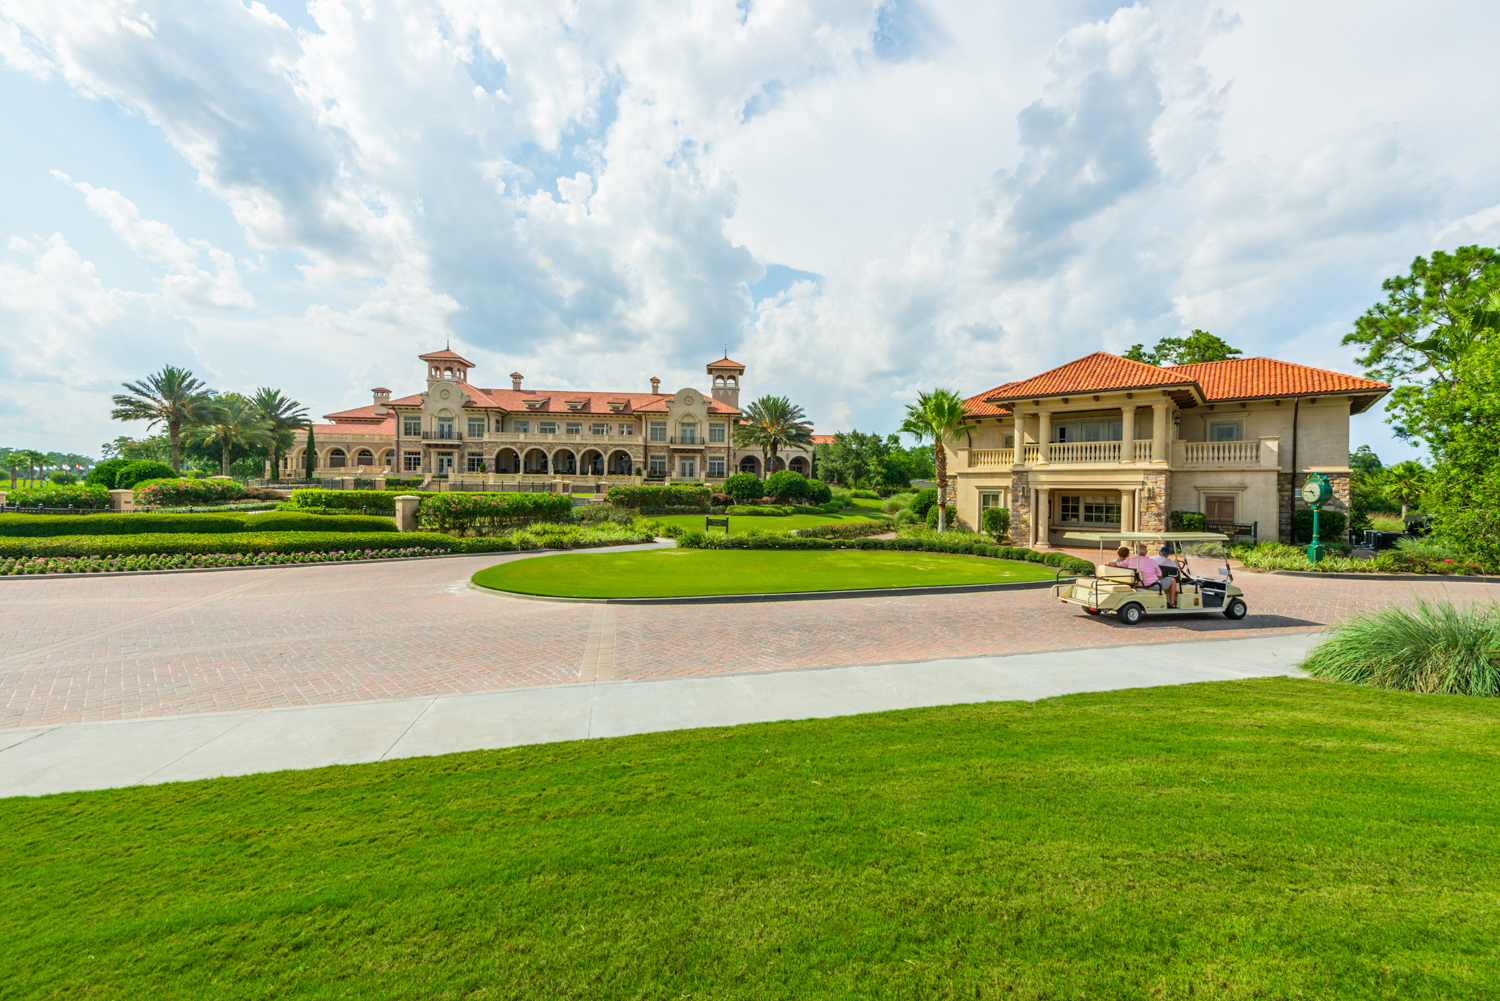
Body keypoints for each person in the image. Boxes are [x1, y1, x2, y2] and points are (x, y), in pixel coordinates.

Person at [1109, 543, 1179, 607]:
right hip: (1152, 586)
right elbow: (1160, 576)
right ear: (1146, 552)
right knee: (1172, 580)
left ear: (1136, 552)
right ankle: (1172, 602)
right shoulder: (1152, 561)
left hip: (1137, 584)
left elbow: (1115, 564)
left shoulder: (1129, 561)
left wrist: (1106, 564)